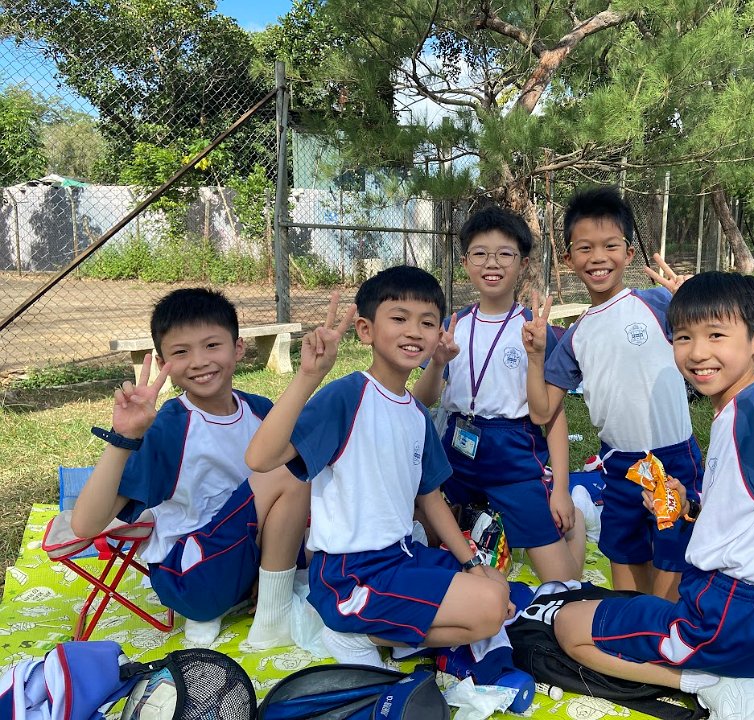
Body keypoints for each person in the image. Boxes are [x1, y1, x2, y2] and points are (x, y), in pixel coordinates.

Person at [553, 268, 754, 720]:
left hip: (730, 614)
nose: (698, 352)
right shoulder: (734, 410)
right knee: (641, 604)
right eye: (683, 337)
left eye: (716, 335)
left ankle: (717, 685)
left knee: (569, 627)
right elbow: (751, 513)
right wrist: (691, 506)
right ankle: (753, 671)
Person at [245, 266, 512, 668]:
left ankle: (391, 635)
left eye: (427, 322)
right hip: (351, 574)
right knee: (490, 607)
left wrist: (473, 564)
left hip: (402, 557)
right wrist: (308, 377)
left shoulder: (416, 414)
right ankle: (351, 630)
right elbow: (260, 459)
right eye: (399, 318)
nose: (414, 332)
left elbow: (432, 498)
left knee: (498, 588)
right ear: (366, 330)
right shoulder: (346, 397)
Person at [71, 288, 309, 648]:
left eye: (212, 345)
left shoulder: (260, 410)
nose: (199, 361)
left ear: (238, 348)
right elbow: (85, 525)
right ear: (162, 362)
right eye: (181, 352)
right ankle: (273, 614)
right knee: (287, 473)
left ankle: (266, 586)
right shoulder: (168, 427)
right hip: (192, 577)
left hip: (250, 557)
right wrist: (124, 437)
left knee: (338, 542)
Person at [524, 186, 703, 599]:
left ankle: (670, 628)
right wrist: (535, 357)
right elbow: (542, 412)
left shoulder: (659, 304)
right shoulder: (575, 336)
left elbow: (711, 341)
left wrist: (692, 302)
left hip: (674, 459)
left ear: (629, 253)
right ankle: (633, 628)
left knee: (672, 567)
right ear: (568, 259)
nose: (598, 257)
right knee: (626, 574)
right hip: (619, 466)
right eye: (585, 247)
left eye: (610, 245)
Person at [412, 206, 585, 583]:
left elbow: (554, 417)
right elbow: (422, 399)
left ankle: (575, 526)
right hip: (457, 449)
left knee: (563, 582)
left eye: (505, 254)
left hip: (513, 455)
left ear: (523, 263)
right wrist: (438, 363)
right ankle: (478, 522)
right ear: (465, 262)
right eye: (480, 253)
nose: (492, 263)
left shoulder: (535, 330)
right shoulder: (451, 326)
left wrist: (561, 490)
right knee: (417, 528)